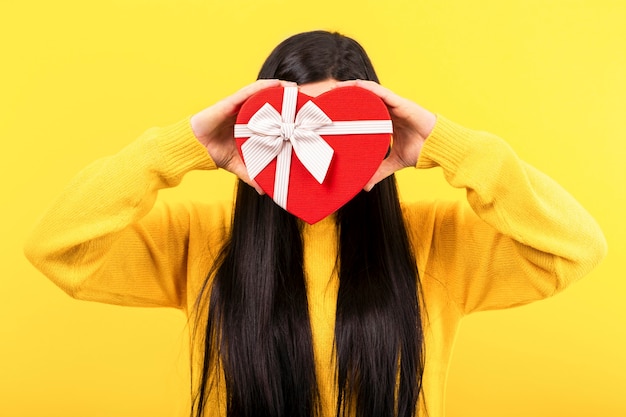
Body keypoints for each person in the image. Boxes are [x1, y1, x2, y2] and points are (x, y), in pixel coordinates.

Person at [24, 31, 607, 417]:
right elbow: (57, 247)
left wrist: (446, 145)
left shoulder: (437, 243)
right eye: (294, 130)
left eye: (337, 130)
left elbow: (576, 248)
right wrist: (182, 147)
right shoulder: (201, 241)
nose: (312, 152)